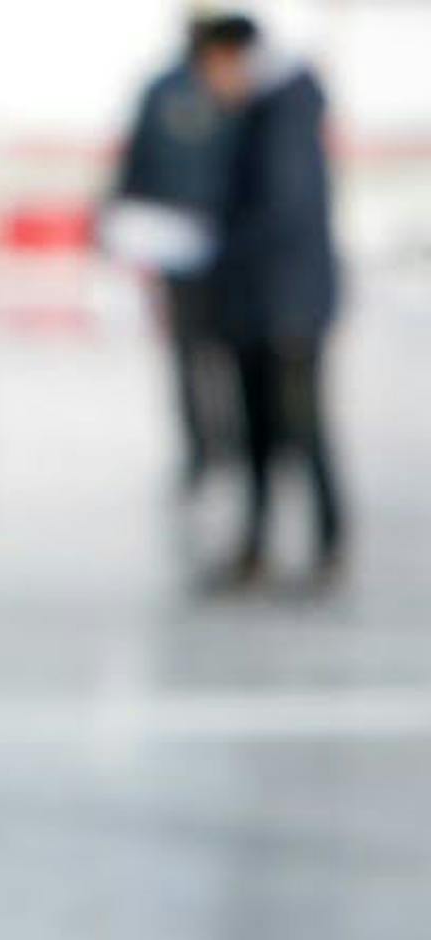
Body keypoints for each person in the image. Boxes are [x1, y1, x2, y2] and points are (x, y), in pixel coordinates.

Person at [191, 14, 346, 586]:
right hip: (260, 302)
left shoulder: (283, 113)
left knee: (303, 428)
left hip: (287, 307)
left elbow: (282, 210)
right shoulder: (261, 111)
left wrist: (213, 240)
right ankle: (257, 546)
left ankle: (329, 545)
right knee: (256, 428)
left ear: (234, 57)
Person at [113, 21, 239, 490]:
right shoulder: (223, 87)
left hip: (181, 241)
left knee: (190, 352)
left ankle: (204, 449)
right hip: (215, 239)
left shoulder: (161, 90)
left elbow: (133, 165)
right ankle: (220, 443)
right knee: (216, 350)